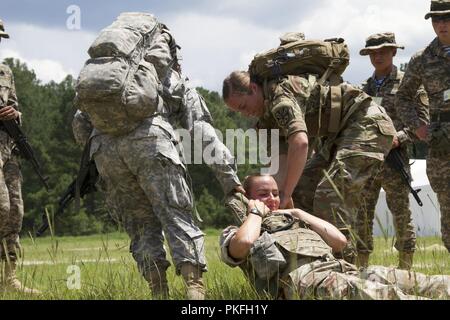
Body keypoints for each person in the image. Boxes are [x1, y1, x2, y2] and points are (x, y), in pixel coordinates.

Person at [73, 18, 243, 300]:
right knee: (176, 215)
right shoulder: (168, 78)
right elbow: (202, 132)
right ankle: (194, 290)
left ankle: (158, 291)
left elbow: (80, 125)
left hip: (106, 151)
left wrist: (101, 156)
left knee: (141, 227)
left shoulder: (109, 80)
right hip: (151, 143)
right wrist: (230, 181)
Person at [223, 67, 396, 263]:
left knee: (330, 196)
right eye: (238, 111)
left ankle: (346, 269)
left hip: (366, 123)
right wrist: (276, 201)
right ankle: (308, 260)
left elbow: (301, 142)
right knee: (301, 192)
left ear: (253, 89)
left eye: (244, 106)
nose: (245, 114)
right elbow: (279, 166)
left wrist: (285, 194)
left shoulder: (280, 97)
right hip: (338, 136)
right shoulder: (265, 119)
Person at [220, 174, 450, 300]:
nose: (272, 198)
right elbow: (244, 244)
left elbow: (339, 242)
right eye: (263, 194)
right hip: (303, 282)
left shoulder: (296, 220)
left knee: (414, 280)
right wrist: (255, 212)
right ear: (249, 198)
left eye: (275, 193)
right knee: (384, 295)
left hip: (338, 269)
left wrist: (300, 213)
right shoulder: (238, 229)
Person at [357, 32, 429, 269]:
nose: (377, 57)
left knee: (400, 213)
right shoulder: (363, 89)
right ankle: (361, 269)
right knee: (362, 215)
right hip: (368, 161)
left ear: (394, 52)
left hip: (394, 160)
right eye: (373, 53)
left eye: (383, 52)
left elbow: (422, 121)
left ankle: (405, 269)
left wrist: (399, 138)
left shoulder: (408, 84)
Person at [395, 0, 450, 253]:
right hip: (441, 144)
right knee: (448, 210)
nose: (442, 24)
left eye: (447, 18)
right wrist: (417, 126)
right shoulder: (422, 58)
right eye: (436, 19)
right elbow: (403, 96)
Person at [0, 19, 40, 294]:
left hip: (8, 152)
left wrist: (16, 115)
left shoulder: (5, 72)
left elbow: (15, 107)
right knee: (0, 207)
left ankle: (9, 279)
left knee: (15, 211)